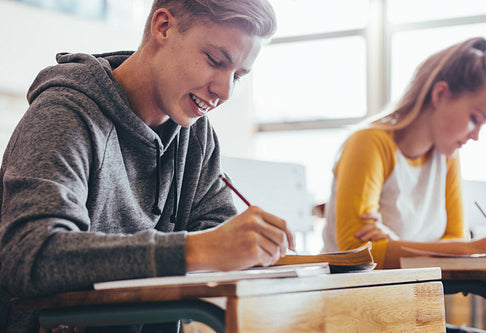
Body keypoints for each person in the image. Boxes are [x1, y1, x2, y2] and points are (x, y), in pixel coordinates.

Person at [0, 0, 294, 332]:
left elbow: (216, 229)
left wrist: (252, 246)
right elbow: (31, 256)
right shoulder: (64, 115)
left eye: (238, 76)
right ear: (163, 27)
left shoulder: (195, 135)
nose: (224, 91)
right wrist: (199, 249)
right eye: (215, 60)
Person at [322, 37, 486, 270]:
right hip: (350, 296)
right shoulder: (369, 143)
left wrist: (394, 245)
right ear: (440, 94)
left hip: (414, 292)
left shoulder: (448, 156)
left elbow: (455, 238)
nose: (476, 136)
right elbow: (356, 252)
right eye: (475, 119)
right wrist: (473, 249)